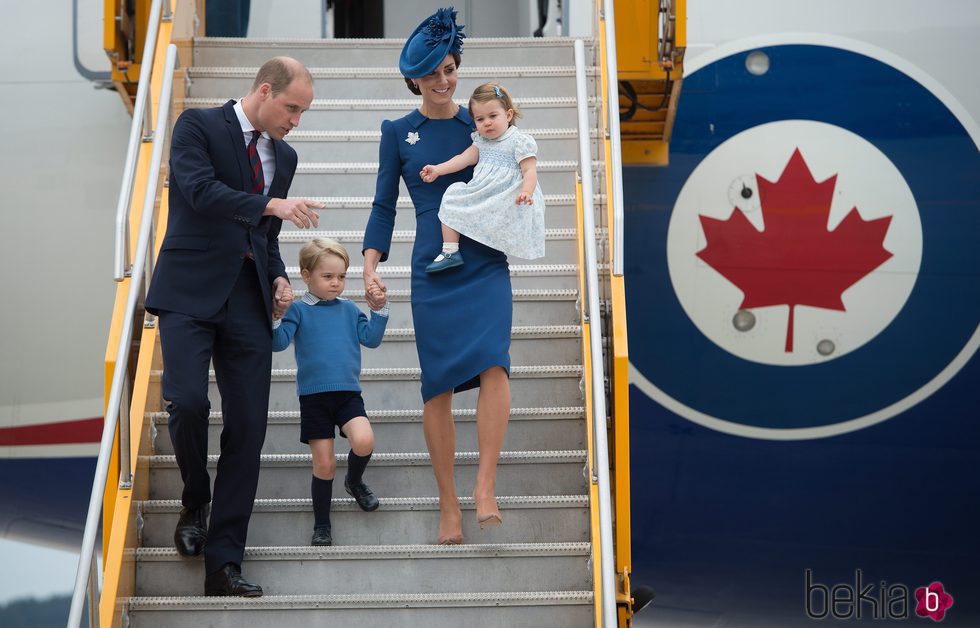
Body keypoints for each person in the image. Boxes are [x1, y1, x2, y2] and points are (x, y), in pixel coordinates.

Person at [145, 56, 324, 597]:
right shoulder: (197, 125)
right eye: (291, 108)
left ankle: (223, 563)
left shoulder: (283, 156)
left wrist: (278, 279)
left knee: (248, 429)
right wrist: (270, 202)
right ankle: (194, 495)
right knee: (188, 404)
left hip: (246, 302)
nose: (295, 121)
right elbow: (198, 192)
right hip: (189, 292)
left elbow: (264, 238)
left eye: (302, 113)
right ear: (264, 90)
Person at [363, 7, 511, 546]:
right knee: (439, 387)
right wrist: (370, 264)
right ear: (414, 80)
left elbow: (518, 163)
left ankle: (484, 488)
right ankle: (448, 504)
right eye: (431, 74)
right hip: (434, 264)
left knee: (496, 364)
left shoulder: (484, 121)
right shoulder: (398, 133)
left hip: (487, 255)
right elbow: (384, 206)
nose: (444, 80)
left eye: (450, 68)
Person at [272, 238, 389, 546]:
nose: (336, 283)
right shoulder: (298, 310)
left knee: (364, 440)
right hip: (314, 398)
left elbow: (372, 339)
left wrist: (379, 309)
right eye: (328, 276)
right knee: (324, 463)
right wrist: (274, 316)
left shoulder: (350, 310)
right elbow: (279, 342)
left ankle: (354, 481)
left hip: (348, 394)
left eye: (341, 276)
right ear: (306, 275)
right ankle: (322, 523)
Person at [420, 82, 546, 272]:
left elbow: (529, 171)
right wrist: (438, 169)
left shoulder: (519, 141)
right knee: (452, 195)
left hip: (508, 196)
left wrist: (526, 192)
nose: (487, 122)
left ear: (508, 115)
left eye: (493, 116)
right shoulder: (481, 141)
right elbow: (463, 159)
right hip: (484, 192)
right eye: (480, 119)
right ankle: (450, 251)